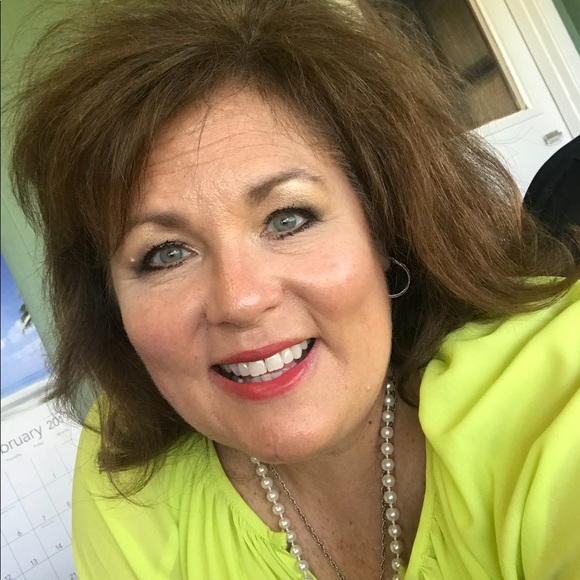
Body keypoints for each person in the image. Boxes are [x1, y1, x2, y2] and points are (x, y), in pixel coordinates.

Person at [7, 1, 579, 578]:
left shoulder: (552, 392)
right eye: (166, 253)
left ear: (382, 228)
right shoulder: (124, 472)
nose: (240, 300)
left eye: (288, 219)